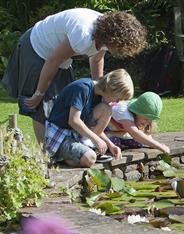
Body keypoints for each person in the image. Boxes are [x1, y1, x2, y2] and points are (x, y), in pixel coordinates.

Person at [1, 8, 146, 143]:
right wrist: (39, 93)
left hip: (57, 59)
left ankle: (60, 145)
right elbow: (53, 61)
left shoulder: (105, 34)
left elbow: (96, 58)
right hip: (36, 49)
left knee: (65, 103)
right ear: (116, 39)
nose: (121, 52)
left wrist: (98, 90)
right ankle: (45, 155)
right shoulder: (83, 34)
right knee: (42, 107)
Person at [44, 68, 133, 167]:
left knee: (107, 110)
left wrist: (110, 144)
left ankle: (81, 149)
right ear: (111, 89)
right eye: (118, 98)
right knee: (90, 158)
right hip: (60, 134)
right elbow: (74, 120)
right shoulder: (83, 88)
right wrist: (96, 139)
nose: (116, 102)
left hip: (75, 134)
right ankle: (63, 156)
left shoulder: (99, 95)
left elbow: (91, 127)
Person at [106, 92, 170, 154]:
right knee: (115, 143)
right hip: (101, 131)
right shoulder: (123, 112)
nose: (148, 122)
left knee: (139, 143)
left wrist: (152, 143)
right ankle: (108, 136)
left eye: (151, 120)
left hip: (117, 132)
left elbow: (145, 136)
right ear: (137, 112)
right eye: (146, 119)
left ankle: (116, 138)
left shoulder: (138, 116)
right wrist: (158, 146)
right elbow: (135, 133)